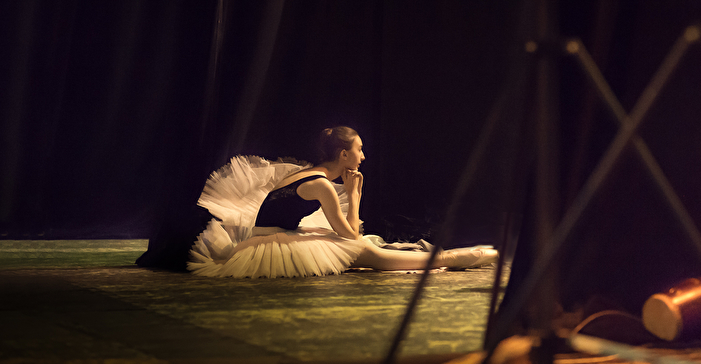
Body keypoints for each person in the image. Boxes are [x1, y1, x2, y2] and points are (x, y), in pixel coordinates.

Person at [188, 126, 498, 278]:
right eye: (359, 150)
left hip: (273, 235)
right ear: (344, 154)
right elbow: (351, 237)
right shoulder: (322, 185)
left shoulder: (308, 174)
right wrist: (354, 195)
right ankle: (454, 258)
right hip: (271, 243)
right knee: (367, 251)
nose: (363, 156)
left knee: (360, 246)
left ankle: (456, 256)